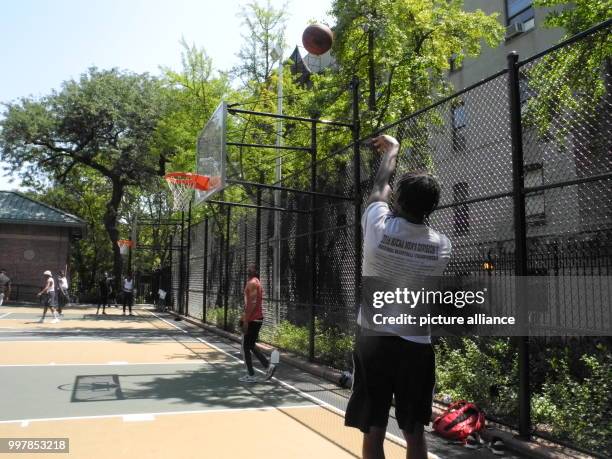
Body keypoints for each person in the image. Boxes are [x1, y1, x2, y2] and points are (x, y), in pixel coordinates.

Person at [344, 135, 451, 459]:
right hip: (415, 346)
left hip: (374, 341)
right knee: (415, 433)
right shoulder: (442, 246)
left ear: (398, 201)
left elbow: (379, 189)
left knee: (374, 429)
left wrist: (392, 151)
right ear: (432, 207)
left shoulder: (377, 228)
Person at [239, 265, 276, 383]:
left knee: (246, 346)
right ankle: (268, 366)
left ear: (255, 272)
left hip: (253, 320)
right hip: (254, 318)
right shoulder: (254, 282)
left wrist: (245, 320)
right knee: (250, 345)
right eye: (248, 268)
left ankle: (251, 375)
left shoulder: (253, 283)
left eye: (251, 269)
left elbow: (252, 303)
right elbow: (249, 303)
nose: (248, 269)